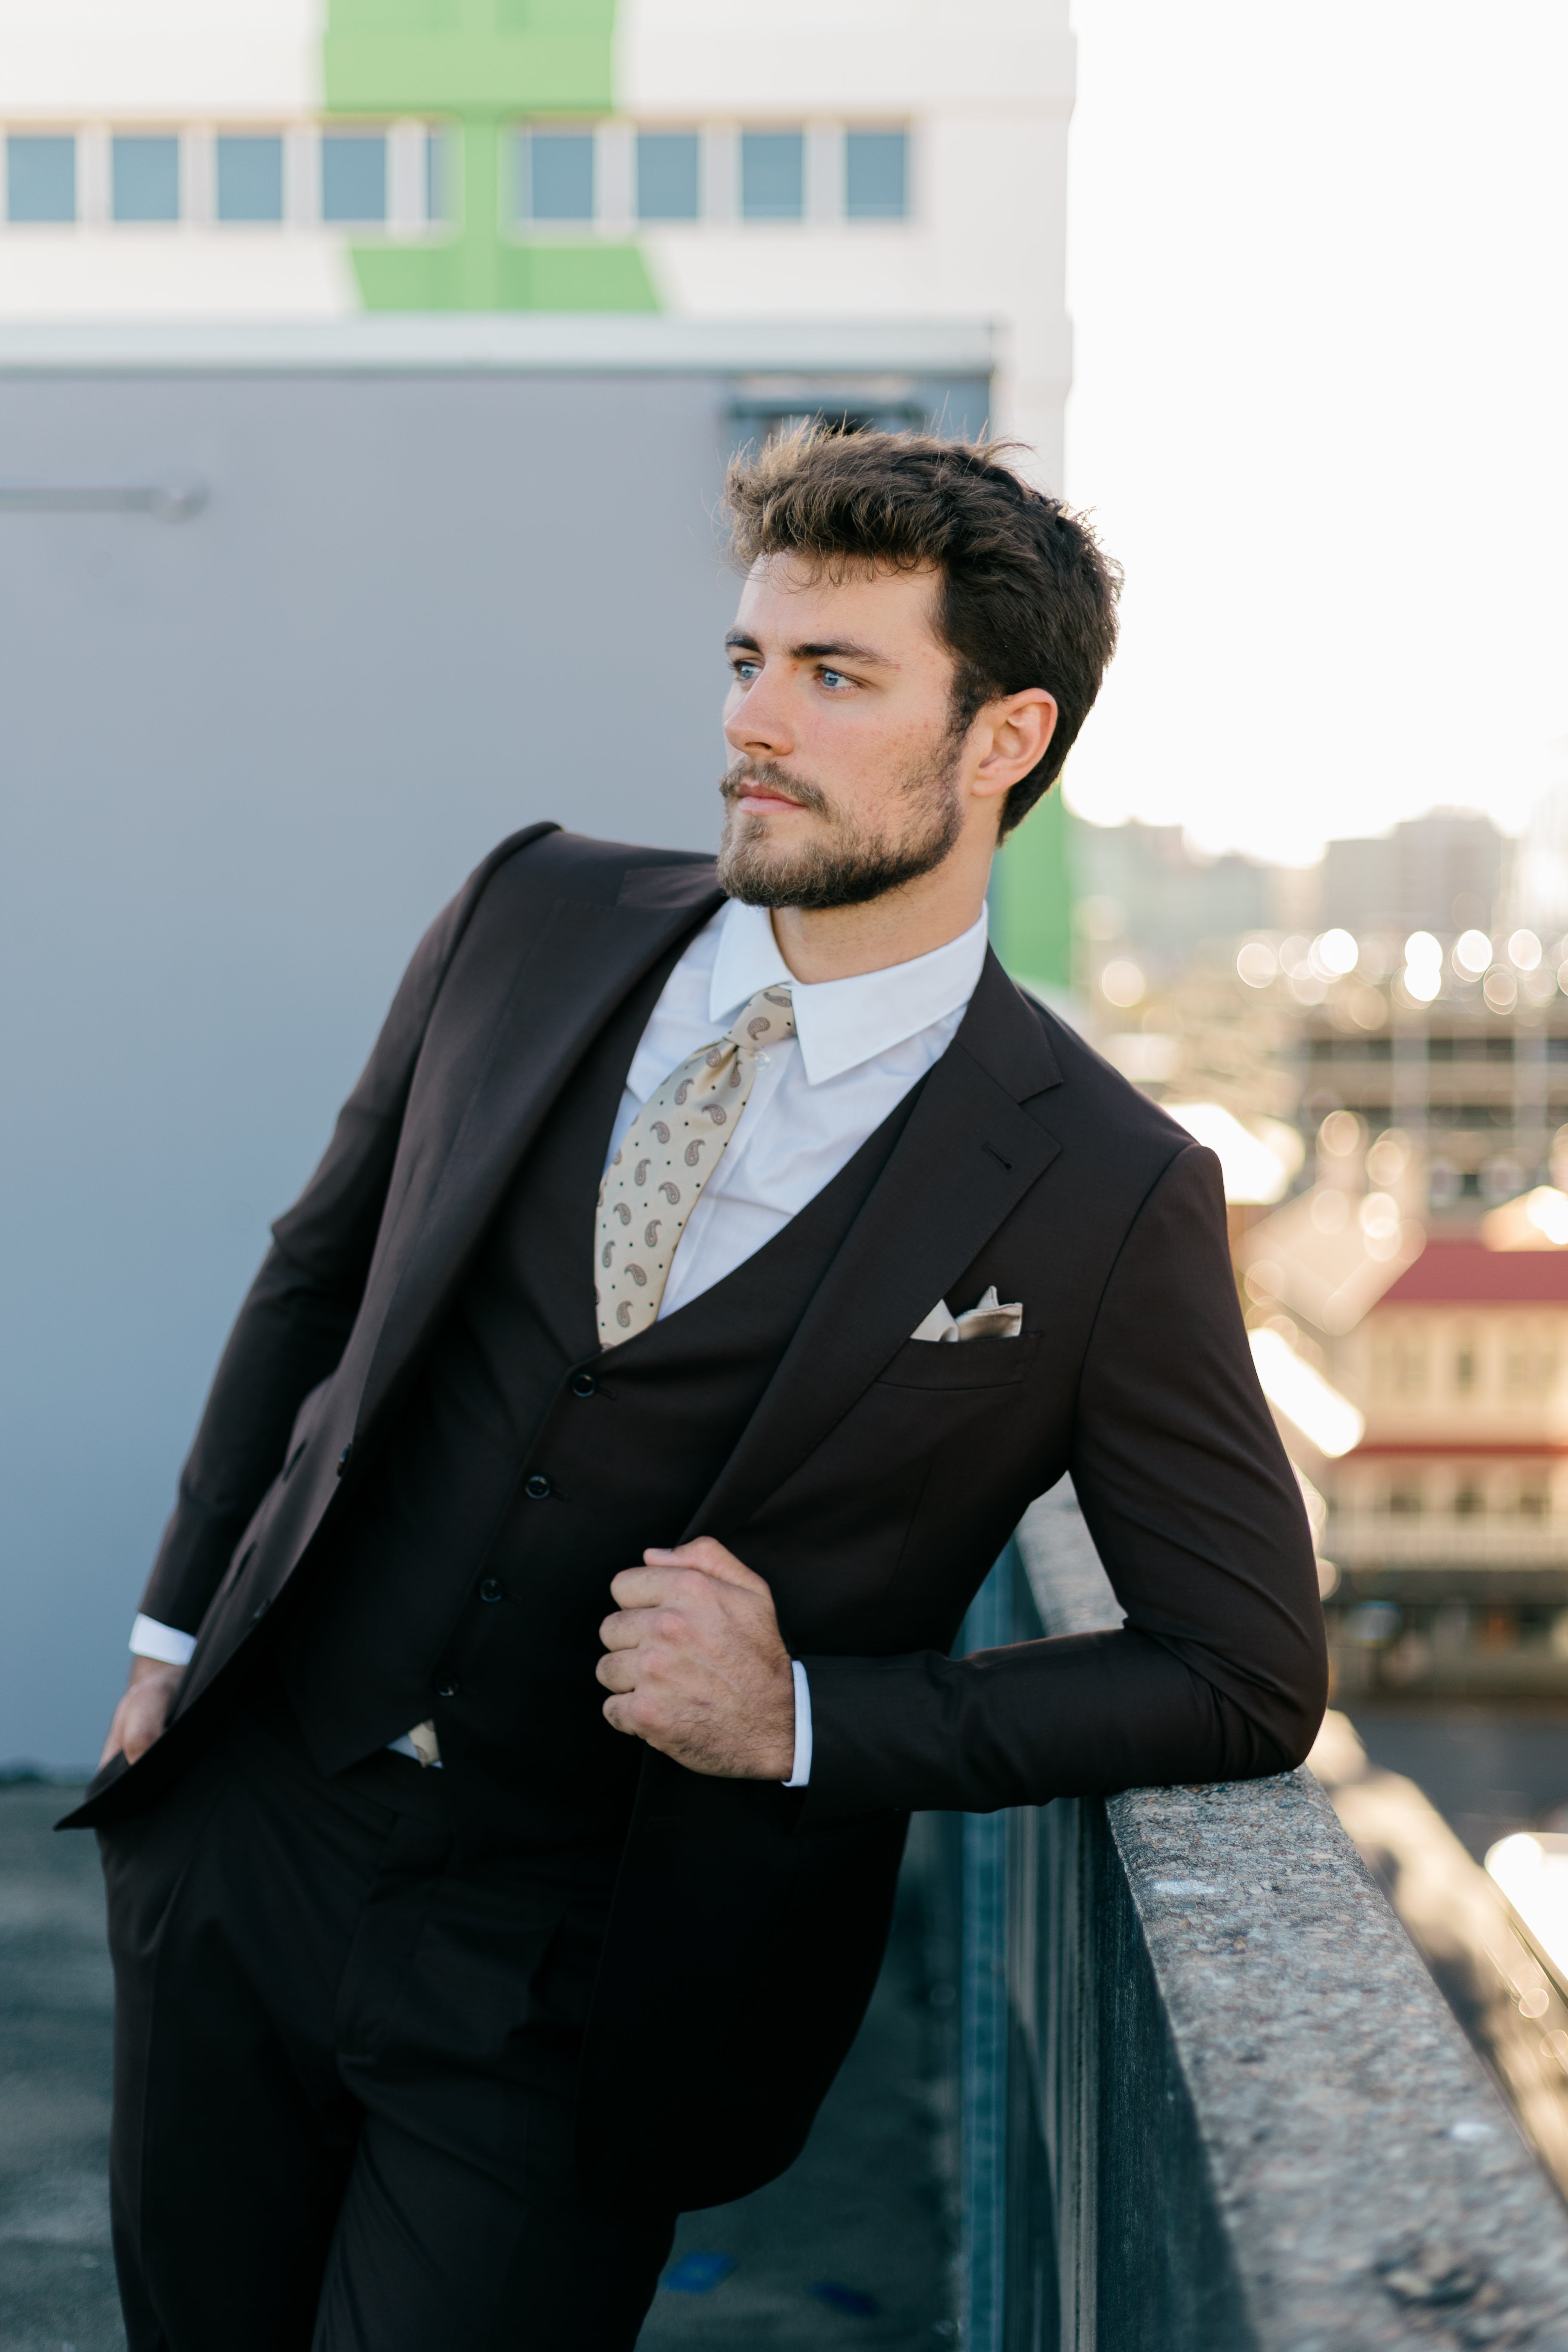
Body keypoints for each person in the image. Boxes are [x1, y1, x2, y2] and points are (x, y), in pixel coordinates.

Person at [65, 428, 1326, 2352]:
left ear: (1004, 740)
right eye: (749, 660)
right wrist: (172, 1646)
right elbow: (320, 1273)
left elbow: (1242, 1669)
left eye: (837, 677)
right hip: (255, 1845)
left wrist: (806, 1718)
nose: (758, 721)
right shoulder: (533, 912)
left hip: (586, 1978)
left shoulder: (1102, 1185)